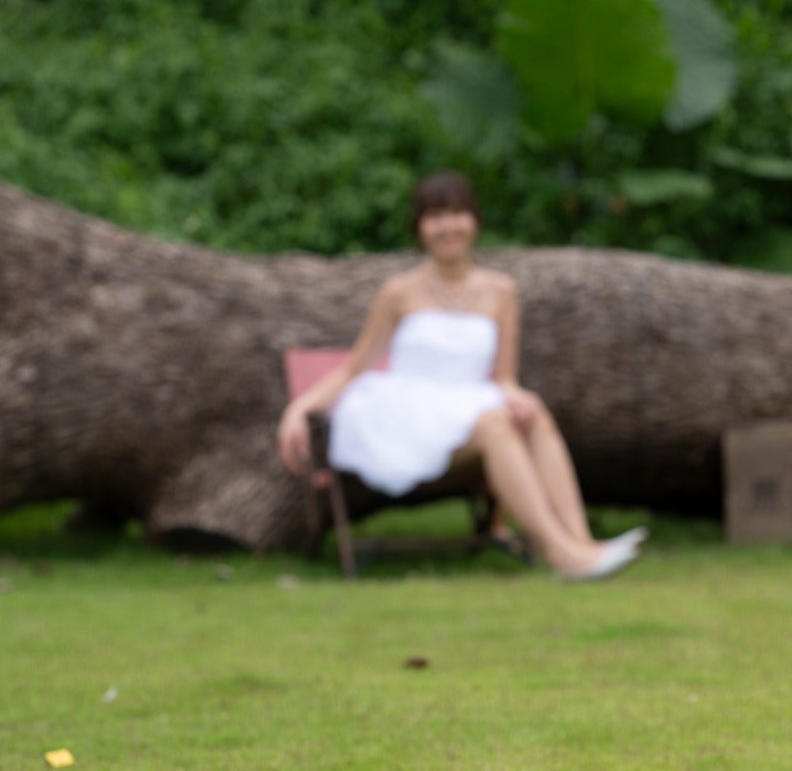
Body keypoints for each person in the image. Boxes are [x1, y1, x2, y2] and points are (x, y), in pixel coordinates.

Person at [277, 170, 646, 580]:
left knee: (533, 414)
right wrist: (300, 407)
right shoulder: (399, 292)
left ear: (474, 221)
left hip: (468, 403)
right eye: (434, 216)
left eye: (456, 213)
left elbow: (503, 376)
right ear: (420, 228)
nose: (447, 226)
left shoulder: (501, 291)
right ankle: (558, 553)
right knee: (495, 426)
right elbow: (354, 367)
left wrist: (516, 394)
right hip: (406, 415)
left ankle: (583, 544)